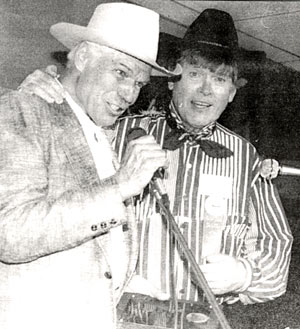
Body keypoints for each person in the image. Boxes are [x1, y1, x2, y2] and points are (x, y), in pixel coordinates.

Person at [19, 7, 293, 326]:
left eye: (219, 79)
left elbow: (277, 248)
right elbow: (55, 197)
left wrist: (244, 275)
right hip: (116, 314)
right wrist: (44, 98)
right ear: (171, 81)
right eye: (194, 74)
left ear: (231, 93)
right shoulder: (115, 132)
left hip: (201, 320)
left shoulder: (248, 158)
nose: (206, 89)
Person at [0, 3, 183, 329]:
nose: (130, 94)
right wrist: (120, 184)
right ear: (83, 58)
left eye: (139, 83)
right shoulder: (24, 109)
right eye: (121, 72)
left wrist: (133, 293)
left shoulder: (101, 131)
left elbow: (93, 249)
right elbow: (11, 233)